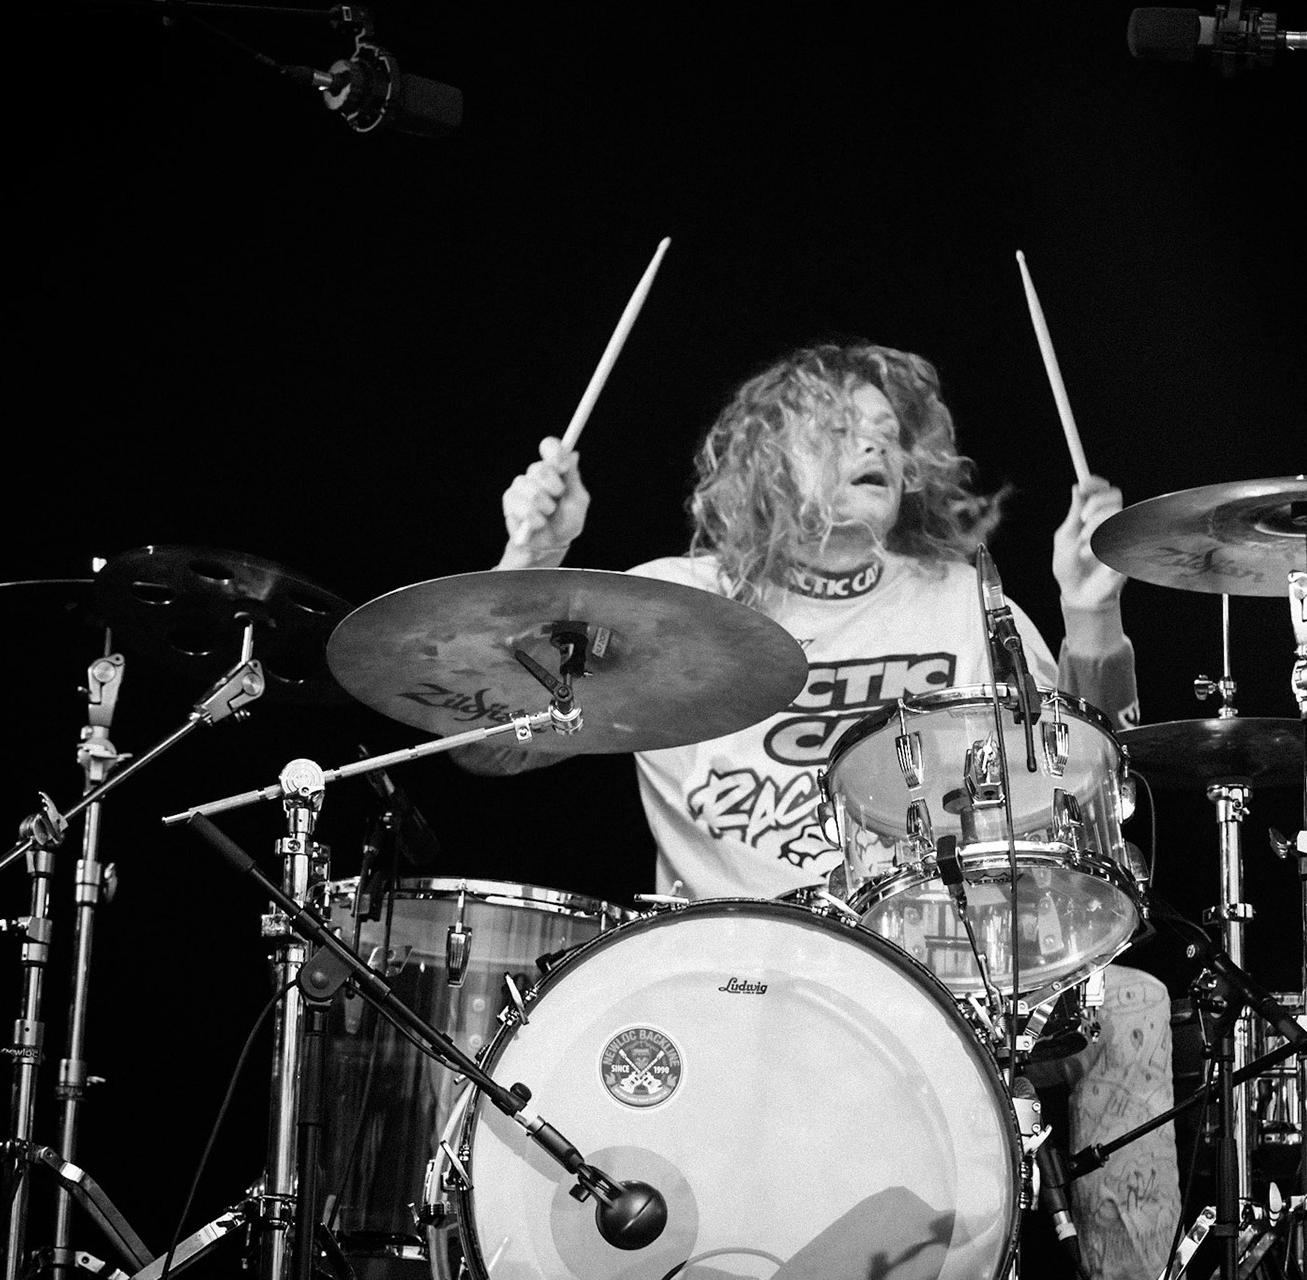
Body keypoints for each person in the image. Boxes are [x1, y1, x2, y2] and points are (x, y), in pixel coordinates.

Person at [462, 342, 1178, 1277]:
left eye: (885, 433)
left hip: (933, 979)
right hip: (726, 982)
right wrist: (531, 562)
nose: (872, 446)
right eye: (840, 431)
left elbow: (1088, 782)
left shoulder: (963, 599)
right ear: (766, 455)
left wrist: (1093, 621)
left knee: (1128, 999)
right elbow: (483, 748)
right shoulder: (672, 606)